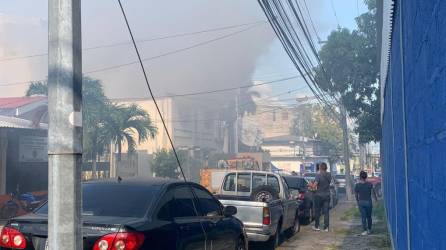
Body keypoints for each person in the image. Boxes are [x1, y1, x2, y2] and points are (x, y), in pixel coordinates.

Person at [355, 171, 378, 235]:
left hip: (361, 203)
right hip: (368, 202)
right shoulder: (370, 184)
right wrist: (376, 200)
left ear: (360, 177)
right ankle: (369, 229)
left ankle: (364, 230)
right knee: (369, 217)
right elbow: (373, 193)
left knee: (363, 217)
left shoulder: (357, 185)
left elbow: (356, 195)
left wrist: (357, 201)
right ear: (366, 177)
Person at [312, 162, 331, 232]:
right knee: (326, 212)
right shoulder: (329, 175)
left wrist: (310, 185)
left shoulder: (318, 175)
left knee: (317, 211)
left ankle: (317, 226)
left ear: (320, 167)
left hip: (319, 195)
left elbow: (314, 186)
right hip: (327, 195)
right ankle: (326, 228)